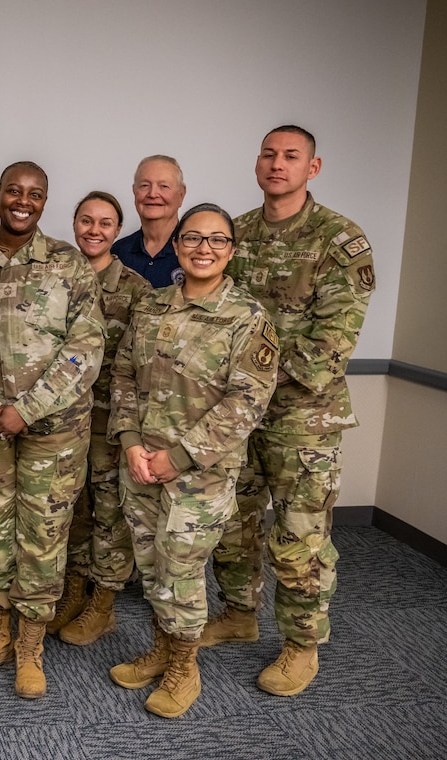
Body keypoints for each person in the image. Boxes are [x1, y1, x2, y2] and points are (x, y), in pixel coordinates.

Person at [204, 125, 375, 697]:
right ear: (257, 164)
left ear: (313, 167)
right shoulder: (238, 233)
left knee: (300, 535)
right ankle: (237, 613)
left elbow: (331, 346)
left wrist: (248, 373)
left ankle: (302, 645)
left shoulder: (339, 240)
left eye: (291, 156)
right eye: (269, 154)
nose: (278, 164)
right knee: (232, 521)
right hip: (237, 416)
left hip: (304, 417)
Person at [108, 203, 277, 718]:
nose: (204, 249)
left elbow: (246, 401)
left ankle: (184, 666)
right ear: (178, 245)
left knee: (180, 568)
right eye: (194, 239)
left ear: (231, 250)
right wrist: (132, 442)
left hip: (199, 474)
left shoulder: (247, 318)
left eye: (217, 240)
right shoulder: (152, 306)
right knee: (151, 563)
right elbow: (122, 377)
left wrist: (178, 457)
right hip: (140, 464)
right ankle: (162, 648)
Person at [0, 162, 104, 699]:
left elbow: (86, 349)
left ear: (45, 201)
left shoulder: (68, 264)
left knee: (42, 540)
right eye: (13, 191)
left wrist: (30, 408)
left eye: (34, 194)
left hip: (55, 431)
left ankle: (29, 647)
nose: (23, 201)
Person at [57, 192, 152, 647]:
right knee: (72, 511)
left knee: (111, 513)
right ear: (74, 224)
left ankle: (103, 605)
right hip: (60, 419)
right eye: (86, 221)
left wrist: (130, 429)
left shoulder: (136, 289)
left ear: (118, 230)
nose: (94, 230)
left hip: (109, 422)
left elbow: (141, 366)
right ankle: (74, 590)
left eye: (106, 223)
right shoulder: (54, 276)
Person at [111, 155, 187, 289]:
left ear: (181, 194)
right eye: (144, 185)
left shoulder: (195, 250)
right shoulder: (118, 253)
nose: (152, 194)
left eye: (164, 186)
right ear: (134, 191)